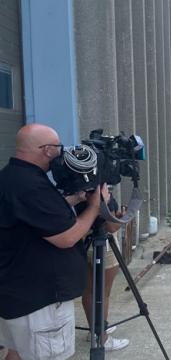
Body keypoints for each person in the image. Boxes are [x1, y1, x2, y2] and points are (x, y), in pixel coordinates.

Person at [0, 124, 101, 360]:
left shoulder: (11, 177)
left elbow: (37, 217)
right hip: (40, 301)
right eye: (58, 147)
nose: (61, 153)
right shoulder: (32, 186)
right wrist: (95, 206)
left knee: (15, 353)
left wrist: (75, 199)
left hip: (15, 295)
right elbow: (67, 237)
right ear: (46, 150)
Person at [81, 187, 129, 351]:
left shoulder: (76, 186)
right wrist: (121, 218)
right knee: (103, 293)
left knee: (88, 290)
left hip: (82, 239)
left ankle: (94, 330)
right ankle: (102, 338)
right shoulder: (100, 190)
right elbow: (111, 227)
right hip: (103, 244)